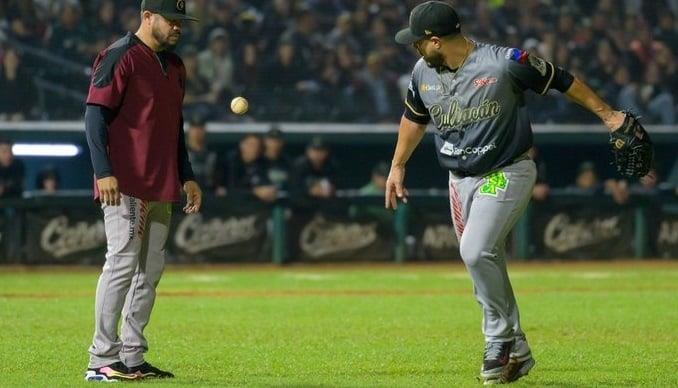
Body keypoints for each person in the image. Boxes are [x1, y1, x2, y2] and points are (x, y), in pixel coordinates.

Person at [385, 2, 652, 384]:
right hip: (458, 180)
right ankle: (519, 349)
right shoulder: (422, 71)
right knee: (481, 263)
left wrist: (608, 115)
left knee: (476, 251)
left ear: (435, 40)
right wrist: (397, 165)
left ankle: (498, 342)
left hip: (506, 170)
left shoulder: (504, 62)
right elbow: (414, 118)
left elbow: (562, 79)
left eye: (417, 42)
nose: (413, 48)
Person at [83, 0, 201, 382]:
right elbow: (94, 114)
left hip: (161, 182)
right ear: (147, 16)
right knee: (121, 263)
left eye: (181, 21)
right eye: (172, 19)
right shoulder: (120, 55)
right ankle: (101, 356)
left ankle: (132, 356)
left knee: (149, 271)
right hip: (126, 181)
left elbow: (174, 125)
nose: (178, 27)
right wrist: (103, 171)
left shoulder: (176, 65)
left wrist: (187, 174)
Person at [226, 134, 277, 203]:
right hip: (229, 206)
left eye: (257, 146)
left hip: (255, 206)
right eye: (251, 144)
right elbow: (229, 190)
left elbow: (265, 184)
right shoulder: (230, 163)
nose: (254, 149)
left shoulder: (261, 164)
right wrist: (254, 192)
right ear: (242, 145)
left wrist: (269, 191)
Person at [185, 117, 218, 193]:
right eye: (194, 128)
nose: (197, 132)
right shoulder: (179, 153)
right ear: (189, 130)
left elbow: (216, 178)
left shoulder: (212, 154)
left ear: (204, 130)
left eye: (200, 128)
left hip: (208, 194)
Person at [262, 127, 292, 192]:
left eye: (277, 141)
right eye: (271, 140)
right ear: (265, 141)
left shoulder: (288, 162)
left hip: (284, 198)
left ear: (282, 142)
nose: (274, 144)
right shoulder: (258, 160)